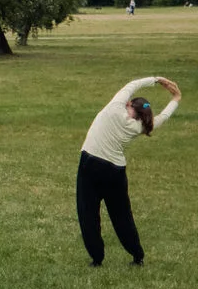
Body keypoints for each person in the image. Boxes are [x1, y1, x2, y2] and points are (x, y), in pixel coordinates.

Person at [77, 76, 180, 266]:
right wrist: (176, 99)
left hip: (90, 165)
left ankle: (97, 258)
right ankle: (137, 255)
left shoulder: (115, 108)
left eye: (128, 104)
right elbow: (162, 117)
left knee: (88, 213)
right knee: (122, 215)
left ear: (130, 106)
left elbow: (131, 85)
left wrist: (157, 80)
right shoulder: (140, 126)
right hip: (115, 172)